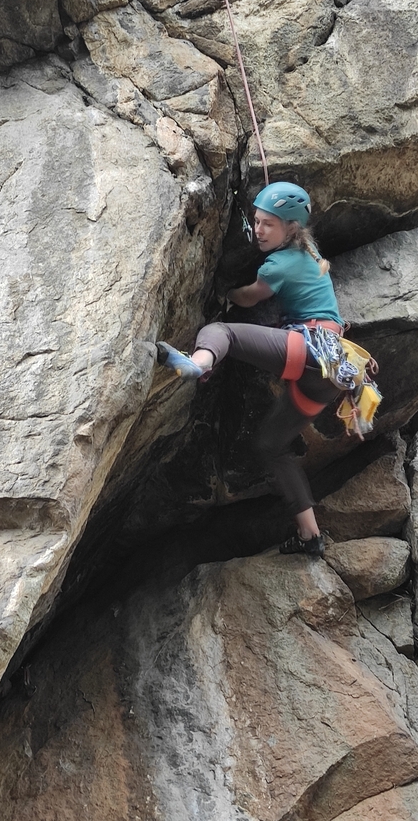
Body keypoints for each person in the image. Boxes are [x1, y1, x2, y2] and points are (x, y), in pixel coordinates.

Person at [157, 182, 344, 558]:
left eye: (268, 225)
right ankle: (311, 537)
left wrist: (223, 291)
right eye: (256, 222)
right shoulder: (307, 251)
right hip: (331, 373)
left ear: (290, 228)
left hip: (308, 350)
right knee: (270, 446)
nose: (258, 231)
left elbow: (250, 296)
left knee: (223, 331)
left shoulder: (280, 264)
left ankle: (198, 363)